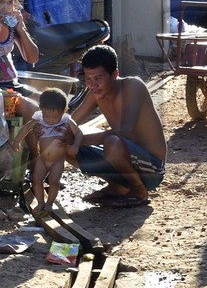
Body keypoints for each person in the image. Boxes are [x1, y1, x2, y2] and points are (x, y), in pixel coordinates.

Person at [70, 44, 167, 207]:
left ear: (114, 74)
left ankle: (139, 189)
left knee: (112, 142)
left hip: (152, 169)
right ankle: (119, 186)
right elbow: (69, 123)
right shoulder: (96, 93)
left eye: (98, 79)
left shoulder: (133, 86)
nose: (92, 85)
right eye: (88, 79)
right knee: (64, 141)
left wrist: (80, 140)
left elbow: (126, 131)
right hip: (125, 157)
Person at [11, 86, 82, 216]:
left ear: (64, 111)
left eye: (54, 117)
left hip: (57, 160)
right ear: (41, 109)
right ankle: (40, 202)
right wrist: (16, 141)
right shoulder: (38, 118)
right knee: (37, 179)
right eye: (46, 115)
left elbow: (79, 133)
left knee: (54, 182)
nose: (49, 120)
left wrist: (75, 145)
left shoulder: (66, 119)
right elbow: (26, 129)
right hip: (42, 159)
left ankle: (49, 203)